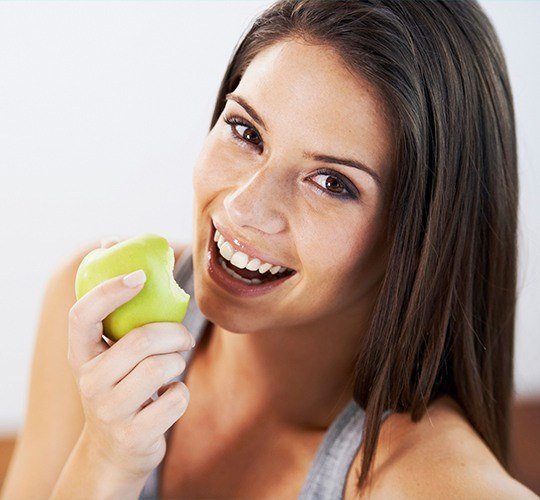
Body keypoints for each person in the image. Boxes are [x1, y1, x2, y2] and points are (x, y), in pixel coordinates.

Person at [2, 0, 537, 498]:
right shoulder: (95, 316)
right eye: (245, 131)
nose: (242, 208)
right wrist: (106, 457)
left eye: (332, 183)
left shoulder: (428, 479)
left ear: (423, 236)